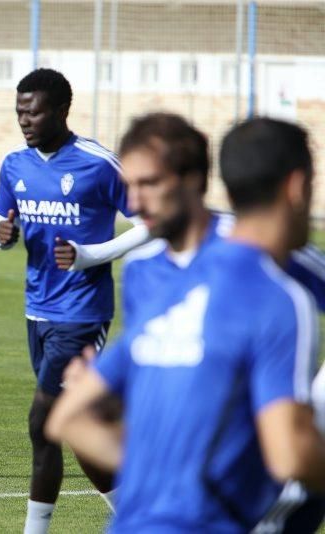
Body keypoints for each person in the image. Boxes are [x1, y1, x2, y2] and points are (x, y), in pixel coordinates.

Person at [46, 117, 325, 532]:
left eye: (150, 183)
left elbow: (68, 415)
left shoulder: (265, 271)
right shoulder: (151, 276)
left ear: (196, 180)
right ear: (298, 187)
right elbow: (289, 451)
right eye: (130, 186)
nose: (136, 203)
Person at [0, 68, 149, 533]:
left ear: (61, 110)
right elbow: (1, 225)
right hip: (36, 310)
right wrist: (2, 235)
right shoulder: (14, 164)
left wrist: (90, 256)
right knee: (76, 427)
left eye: (34, 111)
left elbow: (151, 222)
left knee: (43, 421)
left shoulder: (98, 163)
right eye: (20, 112)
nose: (25, 120)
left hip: (82, 312)